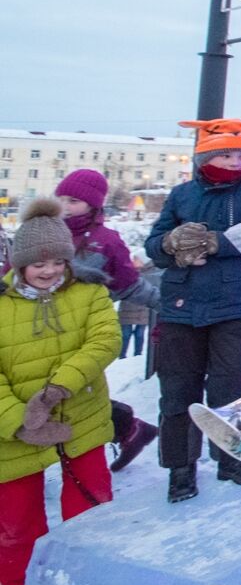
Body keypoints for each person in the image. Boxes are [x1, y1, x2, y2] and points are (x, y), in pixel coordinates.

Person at [0, 199, 121, 585]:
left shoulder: (90, 293)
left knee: (89, 508)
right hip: (14, 434)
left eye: (57, 261)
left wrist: (56, 390)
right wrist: (20, 420)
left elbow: (105, 341)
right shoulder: (2, 306)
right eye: (38, 263)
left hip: (81, 418)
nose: (49, 271)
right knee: (16, 522)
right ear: (20, 265)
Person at [145, 116, 241, 503]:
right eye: (227, 154)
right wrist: (171, 243)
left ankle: (231, 459)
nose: (237, 162)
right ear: (206, 156)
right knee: (177, 390)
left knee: (232, 387)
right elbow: (153, 246)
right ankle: (180, 469)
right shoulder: (181, 195)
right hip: (181, 307)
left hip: (233, 304)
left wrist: (215, 242)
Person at [55, 168, 160, 471]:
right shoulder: (43, 231)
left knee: (68, 391)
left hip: (84, 330)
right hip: (37, 326)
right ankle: (129, 428)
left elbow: (129, 283)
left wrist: (167, 306)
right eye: (61, 198)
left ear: (93, 204)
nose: (65, 205)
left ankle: (124, 428)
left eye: (73, 200)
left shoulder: (106, 240)